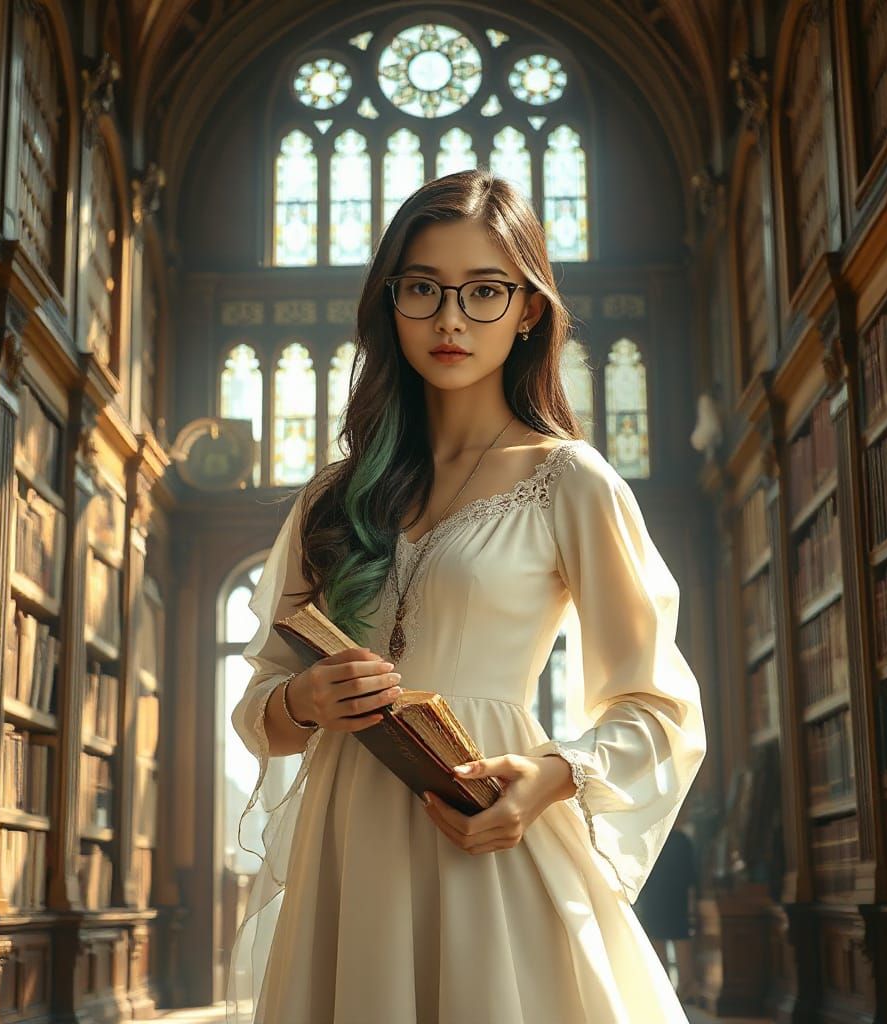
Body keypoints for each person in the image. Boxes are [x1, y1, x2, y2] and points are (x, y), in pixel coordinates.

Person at [228, 169, 706, 1023]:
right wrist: (303, 699)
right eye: (424, 289)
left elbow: (658, 703)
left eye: (485, 291)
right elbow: (259, 708)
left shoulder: (573, 481)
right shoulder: (334, 496)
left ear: (529, 310)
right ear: (392, 304)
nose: (451, 319)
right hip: (350, 845)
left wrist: (551, 777)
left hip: (488, 829)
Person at [634, 825, 700, 1004]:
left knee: (657, 942)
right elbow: (692, 874)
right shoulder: (681, 840)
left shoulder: (649, 838)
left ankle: (662, 989)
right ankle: (687, 987)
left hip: (654, 897)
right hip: (677, 897)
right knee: (680, 938)